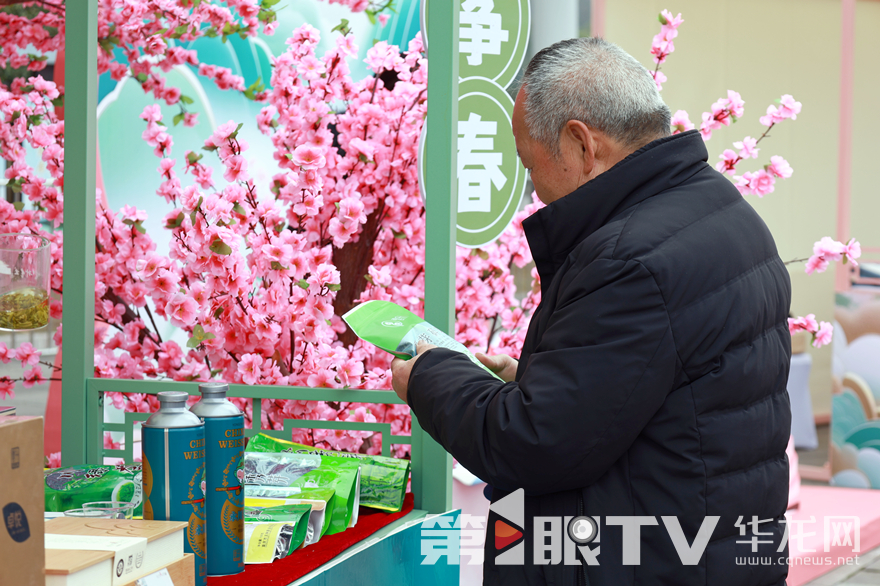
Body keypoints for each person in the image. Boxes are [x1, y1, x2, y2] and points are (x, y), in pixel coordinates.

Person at [392, 37, 791, 586]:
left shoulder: (629, 259)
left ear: (582, 144)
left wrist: (431, 376)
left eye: (531, 166)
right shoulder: (722, 208)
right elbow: (645, 390)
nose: (534, 190)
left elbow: (535, 443)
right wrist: (528, 380)